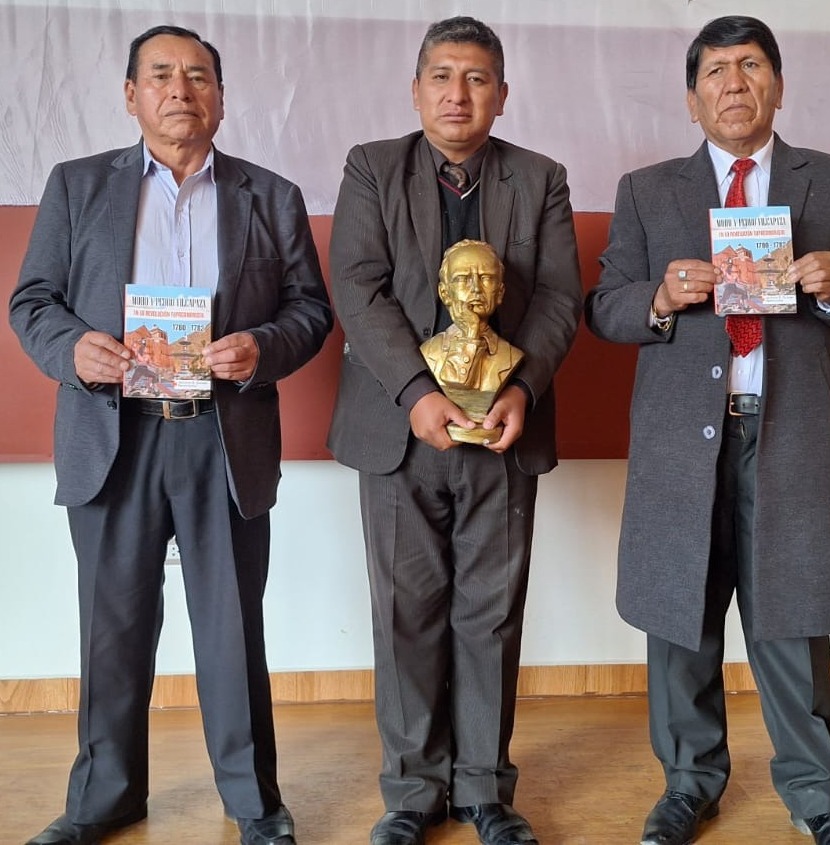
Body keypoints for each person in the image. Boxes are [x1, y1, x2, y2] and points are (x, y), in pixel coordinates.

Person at [9, 24, 332, 845]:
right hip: (114, 433)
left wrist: (261, 347)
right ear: (131, 95)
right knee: (111, 626)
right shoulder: (79, 185)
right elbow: (33, 300)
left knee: (231, 627)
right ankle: (103, 798)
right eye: (160, 74)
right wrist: (71, 350)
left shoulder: (270, 194)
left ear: (221, 97)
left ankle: (254, 804)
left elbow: (310, 310)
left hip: (222, 436)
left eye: (197, 76)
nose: (179, 89)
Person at [585, 15, 830, 845]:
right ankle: (687, 785)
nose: (734, 83)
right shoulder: (647, 190)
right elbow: (606, 307)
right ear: (692, 99)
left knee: (790, 617)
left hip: (786, 435)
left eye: (752, 65)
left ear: (778, 85)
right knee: (680, 618)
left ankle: (818, 795)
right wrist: (659, 296)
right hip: (679, 443)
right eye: (716, 71)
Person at [326, 15, 582, 845]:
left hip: (502, 427)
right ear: (416, 90)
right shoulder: (372, 168)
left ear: (502, 95)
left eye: (476, 79)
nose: (457, 94)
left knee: (491, 613)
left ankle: (484, 790)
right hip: (399, 431)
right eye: (441, 76)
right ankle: (411, 792)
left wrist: (523, 386)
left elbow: (558, 297)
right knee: (406, 611)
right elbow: (358, 287)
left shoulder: (540, 178)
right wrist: (414, 391)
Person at [420, 240, 524, 441]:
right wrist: (471, 333)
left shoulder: (512, 356)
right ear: (444, 293)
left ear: (500, 292)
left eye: (486, 278)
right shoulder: (429, 352)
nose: (476, 288)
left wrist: (473, 331)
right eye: (462, 279)